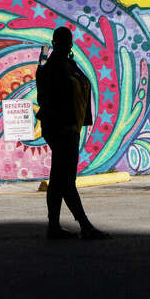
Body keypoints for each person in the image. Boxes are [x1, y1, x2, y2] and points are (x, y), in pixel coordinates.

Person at [34, 26, 107, 240]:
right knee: (65, 179)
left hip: (67, 127)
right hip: (62, 128)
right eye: (64, 40)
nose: (67, 44)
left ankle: (54, 227)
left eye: (68, 40)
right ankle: (85, 226)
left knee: (58, 179)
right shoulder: (56, 66)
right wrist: (66, 126)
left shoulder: (65, 64)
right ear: (58, 42)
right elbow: (49, 97)